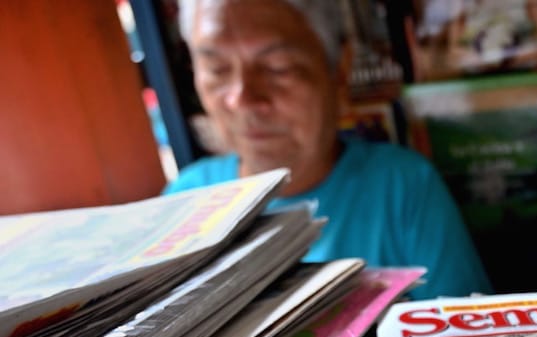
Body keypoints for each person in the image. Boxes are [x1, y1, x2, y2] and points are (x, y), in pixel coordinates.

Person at [167, 0, 493, 300]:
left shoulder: (403, 187)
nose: (242, 98)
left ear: (339, 67)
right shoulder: (185, 202)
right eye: (217, 69)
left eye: (278, 67)